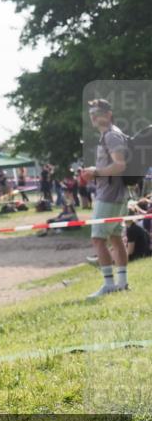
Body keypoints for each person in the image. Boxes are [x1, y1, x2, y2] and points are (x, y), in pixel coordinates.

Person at [80, 99, 130, 298]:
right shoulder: (110, 135)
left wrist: (95, 172)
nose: (93, 115)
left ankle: (109, 284)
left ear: (108, 114)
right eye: (91, 112)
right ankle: (122, 282)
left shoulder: (111, 136)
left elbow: (120, 165)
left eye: (98, 112)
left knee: (98, 239)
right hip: (118, 195)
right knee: (116, 238)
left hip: (109, 195)